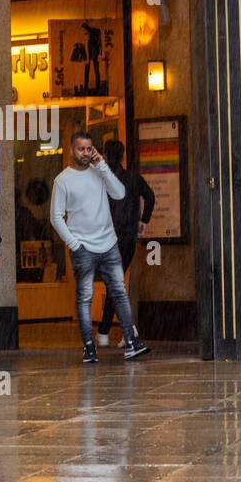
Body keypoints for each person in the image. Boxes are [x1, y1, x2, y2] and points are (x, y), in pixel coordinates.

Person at [50, 131, 151, 364]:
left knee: (119, 292)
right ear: (72, 150)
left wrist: (102, 165)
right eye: (80, 149)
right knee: (85, 296)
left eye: (88, 148)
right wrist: (74, 243)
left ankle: (131, 343)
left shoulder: (100, 172)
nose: (85, 153)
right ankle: (89, 347)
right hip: (83, 246)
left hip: (109, 243)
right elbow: (55, 217)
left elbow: (120, 193)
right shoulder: (63, 180)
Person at [95, 139, 155, 349]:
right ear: (122, 155)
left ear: (104, 154)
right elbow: (151, 197)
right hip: (127, 238)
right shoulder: (133, 177)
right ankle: (118, 330)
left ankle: (108, 331)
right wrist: (143, 222)